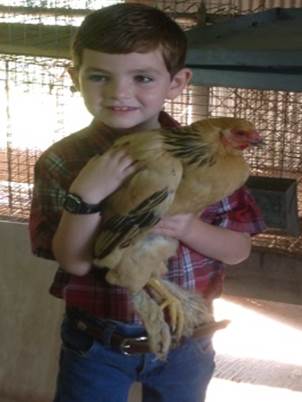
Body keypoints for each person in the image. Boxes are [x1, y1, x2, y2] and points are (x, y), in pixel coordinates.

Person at [29, 3, 265, 402]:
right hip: (98, 341)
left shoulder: (219, 165)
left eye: (142, 77)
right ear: (76, 78)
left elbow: (239, 250)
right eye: (100, 76)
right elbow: (76, 262)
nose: (120, 92)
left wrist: (187, 226)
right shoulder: (63, 161)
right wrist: (85, 197)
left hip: (188, 339)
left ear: (177, 82)